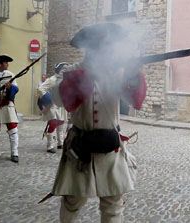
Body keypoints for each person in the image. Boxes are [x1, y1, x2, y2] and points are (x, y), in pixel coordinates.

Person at [41, 23, 146, 223]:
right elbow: (60, 99)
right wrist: (88, 76)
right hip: (81, 145)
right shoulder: (72, 71)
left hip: (111, 145)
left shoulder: (118, 71)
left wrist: (134, 75)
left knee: (113, 203)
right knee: (73, 199)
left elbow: (136, 101)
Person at [37, 63, 70, 153]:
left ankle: (60, 143)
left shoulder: (66, 80)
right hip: (53, 105)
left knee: (61, 124)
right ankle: (50, 146)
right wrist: (49, 99)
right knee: (53, 124)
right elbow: (41, 89)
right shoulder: (52, 80)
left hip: (62, 105)